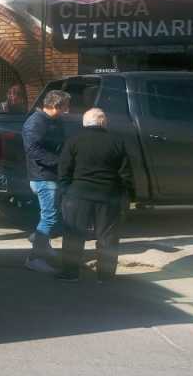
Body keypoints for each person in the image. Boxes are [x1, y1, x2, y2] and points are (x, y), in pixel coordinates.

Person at [56, 108, 134, 283]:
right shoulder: (116, 142)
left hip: (78, 194)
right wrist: (128, 195)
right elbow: (125, 173)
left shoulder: (74, 141)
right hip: (108, 195)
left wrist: (66, 190)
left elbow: (64, 169)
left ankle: (70, 272)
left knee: (74, 235)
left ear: (84, 122)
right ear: (103, 122)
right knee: (107, 237)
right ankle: (105, 276)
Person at [22, 89, 71, 273]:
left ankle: (41, 242)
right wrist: (60, 162)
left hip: (49, 175)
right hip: (43, 176)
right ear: (56, 106)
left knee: (51, 215)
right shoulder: (35, 122)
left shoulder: (52, 121)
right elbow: (33, 150)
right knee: (49, 217)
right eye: (65, 107)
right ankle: (34, 258)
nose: (67, 111)